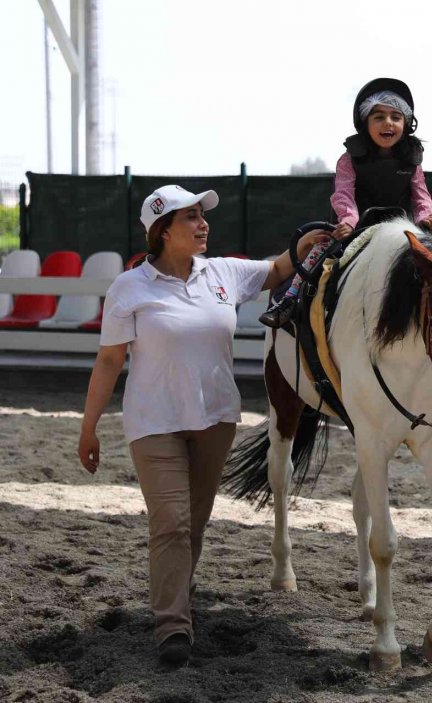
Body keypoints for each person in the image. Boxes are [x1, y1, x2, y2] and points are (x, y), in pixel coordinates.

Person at [77, 185, 318, 667]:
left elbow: (275, 271)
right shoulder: (129, 287)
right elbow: (109, 361)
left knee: (193, 523)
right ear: (163, 231)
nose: (203, 223)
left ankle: (177, 597)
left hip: (216, 420)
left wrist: (306, 244)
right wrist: (89, 428)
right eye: (190, 217)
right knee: (171, 521)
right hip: (154, 423)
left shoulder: (223, 272)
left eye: (202, 215)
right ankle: (172, 626)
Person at [260, 76, 432, 328]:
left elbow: (421, 196)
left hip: (400, 231)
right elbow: (343, 194)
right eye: (379, 116)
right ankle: (289, 300)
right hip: (354, 230)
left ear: (405, 124)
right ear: (365, 123)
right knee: (320, 251)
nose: (388, 123)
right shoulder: (349, 159)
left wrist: (426, 219)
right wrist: (348, 221)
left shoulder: (412, 160)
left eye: (396, 117)